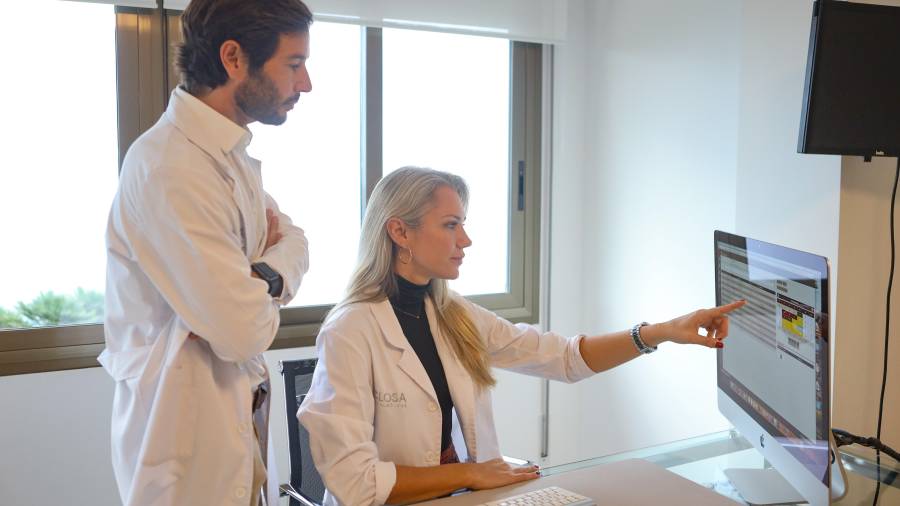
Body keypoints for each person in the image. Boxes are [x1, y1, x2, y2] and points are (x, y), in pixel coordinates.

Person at [298, 167, 745, 505]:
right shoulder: (351, 331)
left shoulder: (451, 314)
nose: (466, 240)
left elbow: (563, 358)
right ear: (399, 231)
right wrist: (471, 474)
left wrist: (662, 332)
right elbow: (356, 483)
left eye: (463, 224)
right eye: (451, 225)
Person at [99, 1, 313, 504]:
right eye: (294, 64)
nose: (305, 85)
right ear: (234, 58)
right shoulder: (171, 167)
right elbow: (242, 331)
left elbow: (299, 241)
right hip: (182, 453)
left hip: (233, 432)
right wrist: (259, 287)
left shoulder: (227, 158)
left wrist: (261, 276)